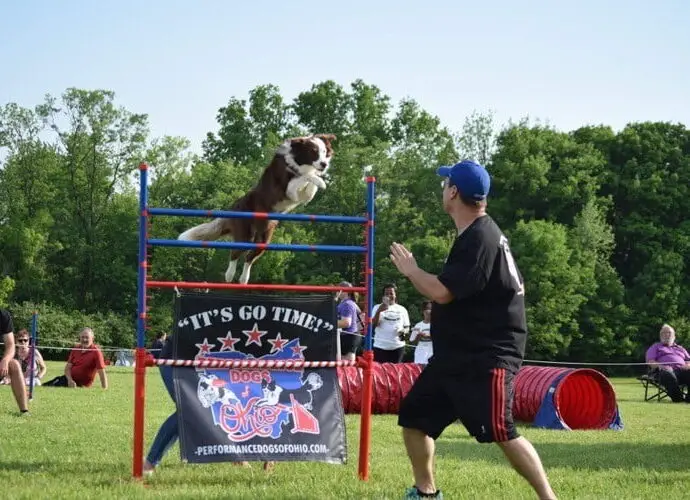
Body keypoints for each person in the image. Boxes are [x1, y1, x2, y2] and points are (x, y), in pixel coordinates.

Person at [389, 160, 556, 500]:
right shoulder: (473, 235)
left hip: (486, 357)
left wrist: (411, 270)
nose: (442, 189)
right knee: (415, 419)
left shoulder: (481, 237)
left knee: (502, 431)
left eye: (445, 183)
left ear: (454, 192)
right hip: (456, 356)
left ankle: (548, 498)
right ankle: (426, 493)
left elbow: (441, 292)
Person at [43, 327, 108, 389]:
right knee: (46, 386)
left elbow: (101, 372)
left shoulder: (96, 352)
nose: (84, 339)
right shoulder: (76, 348)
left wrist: (104, 388)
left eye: (87, 337)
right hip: (67, 380)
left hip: (81, 385)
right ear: (79, 338)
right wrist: (70, 380)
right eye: (82, 337)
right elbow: (67, 369)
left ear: (92, 338)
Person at [645, 323, 690, 402]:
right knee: (667, 373)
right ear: (660, 336)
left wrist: (688, 365)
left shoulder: (680, 348)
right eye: (663, 333)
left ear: (674, 336)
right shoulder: (655, 347)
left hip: (682, 371)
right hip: (663, 372)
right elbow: (650, 361)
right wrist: (661, 366)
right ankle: (678, 399)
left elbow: (688, 360)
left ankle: (688, 399)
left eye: (669, 332)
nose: (666, 335)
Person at [371, 284, 410, 363]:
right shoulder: (377, 307)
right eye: (386, 294)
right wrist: (379, 311)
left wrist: (403, 331)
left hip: (398, 346)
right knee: (380, 373)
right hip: (380, 347)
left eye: (391, 293)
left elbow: (407, 327)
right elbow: (373, 325)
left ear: (395, 295)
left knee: (395, 372)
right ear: (383, 296)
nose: (389, 295)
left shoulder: (402, 309)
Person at [0, 308, 29, 414]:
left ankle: (24, 411)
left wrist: (5, 360)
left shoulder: (3, 316)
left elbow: (11, 345)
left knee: (14, 364)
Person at [336, 281, 363, 361]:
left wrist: (330, 323)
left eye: (338, 289)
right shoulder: (350, 303)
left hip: (349, 336)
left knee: (346, 365)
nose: (337, 291)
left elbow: (346, 323)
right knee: (345, 364)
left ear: (345, 291)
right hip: (351, 336)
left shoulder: (347, 304)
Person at [409, 301, 433, 365]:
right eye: (427, 308)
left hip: (432, 354)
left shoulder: (438, 324)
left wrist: (429, 336)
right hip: (420, 355)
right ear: (423, 311)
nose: (429, 311)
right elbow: (412, 342)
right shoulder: (418, 325)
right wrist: (418, 336)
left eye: (431, 309)